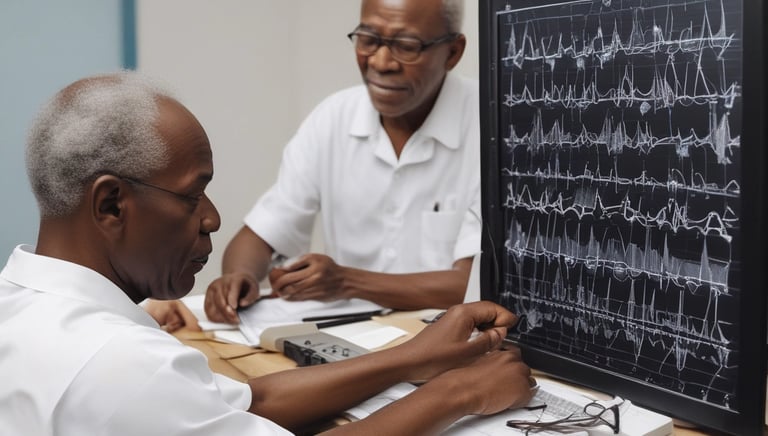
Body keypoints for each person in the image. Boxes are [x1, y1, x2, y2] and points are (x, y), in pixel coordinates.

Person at [0, 72, 535, 435]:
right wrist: (460, 394)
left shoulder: (23, 303)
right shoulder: (116, 363)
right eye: (191, 196)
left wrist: (414, 357)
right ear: (112, 204)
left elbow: (252, 403)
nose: (211, 217)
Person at [205, 0, 482, 324]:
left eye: (406, 46)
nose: (380, 62)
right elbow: (261, 235)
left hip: (453, 341)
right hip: (353, 338)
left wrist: (346, 281)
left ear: (453, 52)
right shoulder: (333, 119)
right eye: (368, 39)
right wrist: (238, 278)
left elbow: (476, 284)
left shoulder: (492, 128)